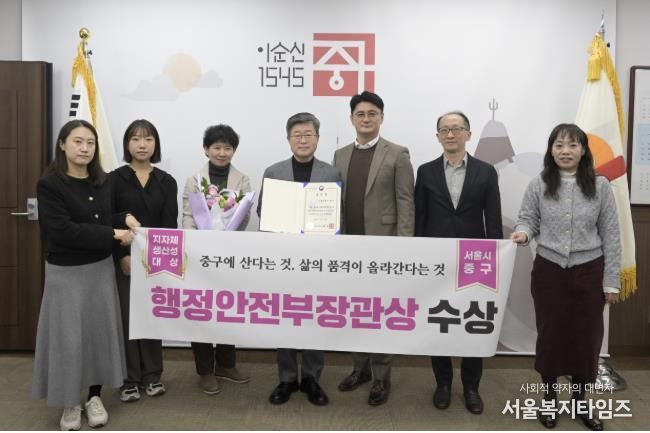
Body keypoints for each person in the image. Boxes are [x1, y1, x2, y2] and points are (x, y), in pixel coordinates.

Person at [511, 123, 620, 431]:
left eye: (572, 145)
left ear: (583, 150)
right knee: (551, 335)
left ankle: (580, 400)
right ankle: (548, 398)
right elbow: (528, 218)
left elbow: (611, 235)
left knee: (587, 338)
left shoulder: (600, 186)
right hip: (549, 271)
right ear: (551, 150)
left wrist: (611, 280)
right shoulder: (539, 183)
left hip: (589, 272)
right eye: (559, 145)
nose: (565, 151)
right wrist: (523, 233)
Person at [32, 119, 134, 431]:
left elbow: (101, 217)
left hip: (99, 269)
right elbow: (63, 230)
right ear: (62, 144)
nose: (85, 148)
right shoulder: (50, 184)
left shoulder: (103, 180)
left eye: (90, 143)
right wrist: (114, 233)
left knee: (97, 336)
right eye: (77, 141)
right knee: (68, 340)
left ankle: (94, 397)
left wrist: (124, 217)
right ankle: (70, 403)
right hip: (65, 273)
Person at [414, 110, 502, 415]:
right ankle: (442, 384)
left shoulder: (486, 172)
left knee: (472, 322)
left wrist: (496, 258)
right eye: (444, 130)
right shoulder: (425, 172)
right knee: (441, 321)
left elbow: (493, 220)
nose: (450, 134)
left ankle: (471, 387)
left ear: (468, 133)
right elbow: (420, 218)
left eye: (456, 128)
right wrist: (419, 258)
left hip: (474, 259)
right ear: (437, 136)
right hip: (436, 259)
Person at [333, 91, 415, 406]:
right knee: (355, 310)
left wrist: (404, 246)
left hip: (385, 247)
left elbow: (405, 201)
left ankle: (381, 376)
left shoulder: (398, 153)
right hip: (349, 249)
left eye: (372, 114)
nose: (366, 119)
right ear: (351, 119)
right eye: (360, 114)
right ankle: (360, 368)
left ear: (381, 117)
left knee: (380, 312)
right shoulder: (340, 155)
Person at [257, 112, 342, 407]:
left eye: (308, 135)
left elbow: (338, 216)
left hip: (318, 259)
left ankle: (311, 378)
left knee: (315, 317)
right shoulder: (273, 171)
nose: (303, 140)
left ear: (317, 139)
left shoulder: (331, 173)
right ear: (288, 139)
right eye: (297, 135)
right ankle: (287, 378)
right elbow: (263, 212)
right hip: (285, 259)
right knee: (286, 317)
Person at [108, 119, 178, 402]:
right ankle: (129, 379)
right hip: (124, 260)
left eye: (148, 139)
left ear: (155, 145)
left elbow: (169, 226)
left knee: (151, 316)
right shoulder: (113, 179)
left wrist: (161, 260)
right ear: (127, 144)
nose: (142, 144)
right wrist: (122, 257)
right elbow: (107, 218)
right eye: (135, 139)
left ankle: (152, 376)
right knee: (126, 318)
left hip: (155, 261)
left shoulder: (166, 181)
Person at [182, 124, 251, 394]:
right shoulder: (194, 180)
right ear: (206, 149)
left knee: (226, 310)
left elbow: (244, 216)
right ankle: (205, 370)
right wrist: (195, 244)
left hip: (228, 254)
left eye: (227, 148)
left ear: (234, 151)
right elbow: (188, 214)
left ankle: (226, 364)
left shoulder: (242, 180)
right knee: (200, 311)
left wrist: (226, 238)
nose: (222, 153)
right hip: (200, 255)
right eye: (216, 147)